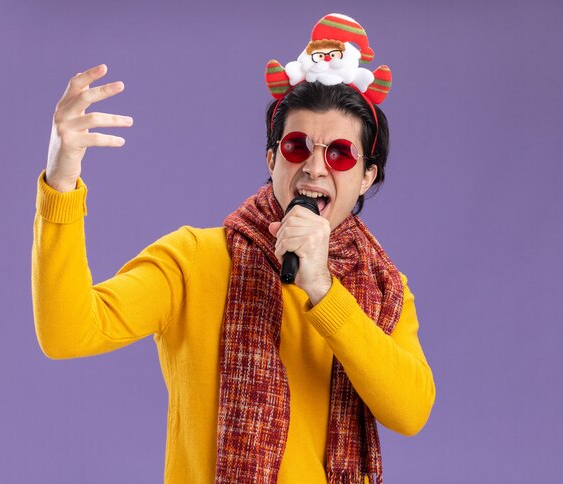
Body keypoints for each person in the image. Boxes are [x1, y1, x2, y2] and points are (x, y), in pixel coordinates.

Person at [32, 13, 435, 484]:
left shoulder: (384, 289)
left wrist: (323, 290)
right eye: (296, 146)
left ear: (367, 174)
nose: (315, 168)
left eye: (341, 153)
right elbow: (66, 333)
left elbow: (410, 411)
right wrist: (61, 180)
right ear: (271, 158)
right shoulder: (193, 261)